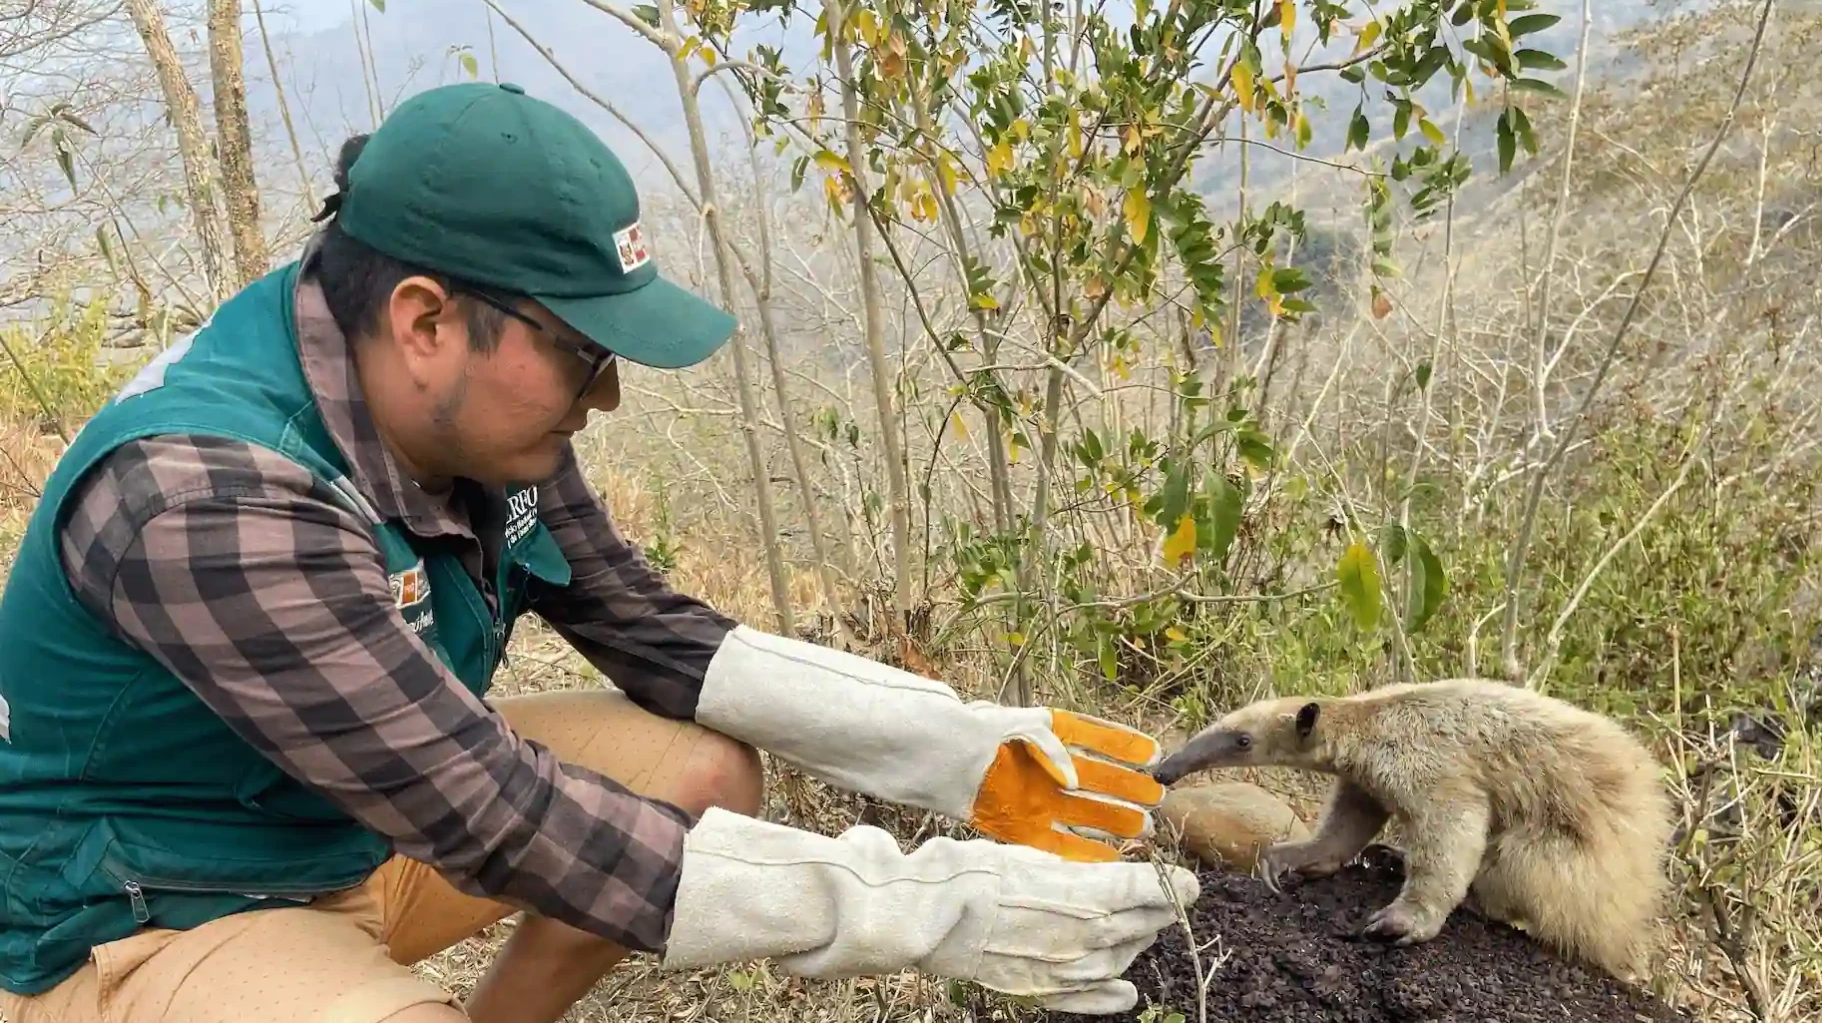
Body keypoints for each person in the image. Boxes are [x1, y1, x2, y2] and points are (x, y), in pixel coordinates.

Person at [0, 82, 1198, 1023]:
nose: (609, 394)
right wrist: (919, 909)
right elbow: (489, 811)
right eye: (584, 350)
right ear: (425, 318)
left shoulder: (444, 399)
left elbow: (640, 623)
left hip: (342, 830)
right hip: (147, 904)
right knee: (568, 826)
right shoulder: (211, 502)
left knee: (697, 769)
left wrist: (959, 748)